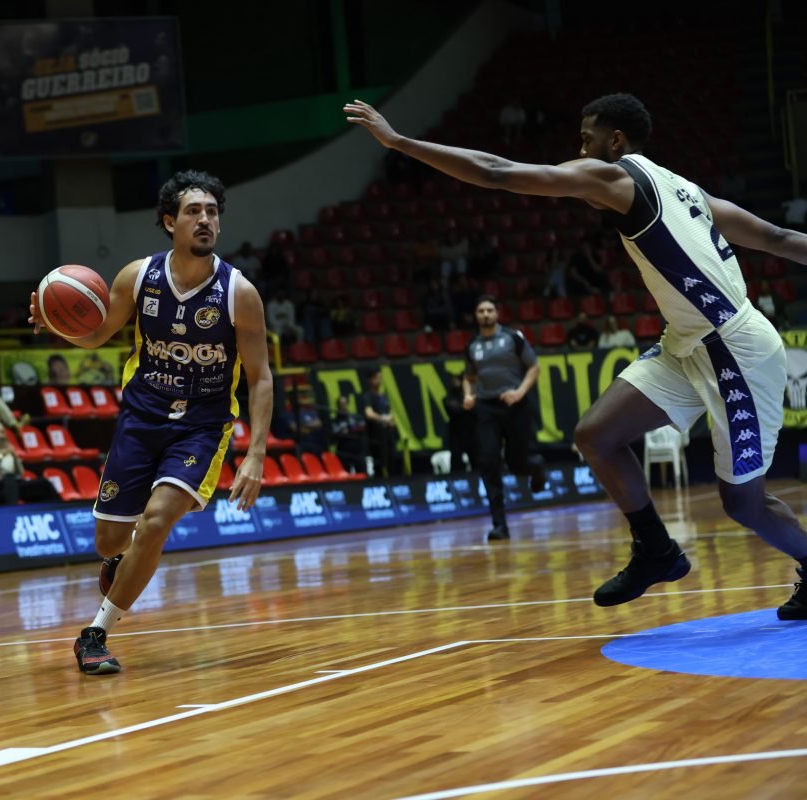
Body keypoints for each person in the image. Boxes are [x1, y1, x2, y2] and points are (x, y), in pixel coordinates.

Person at [345, 93, 807, 611]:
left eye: (587, 140)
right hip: (686, 343)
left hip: (735, 349)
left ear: (616, 141)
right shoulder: (684, 189)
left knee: (743, 503)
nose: (580, 151)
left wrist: (400, 142)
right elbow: (777, 237)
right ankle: (656, 550)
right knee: (596, 435)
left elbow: (497, 172)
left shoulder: (617, 177)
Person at [29, 169, 272, 674]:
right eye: (193, 211)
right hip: (142, 417)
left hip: (202, 425)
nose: (205, 220)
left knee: (157, 521)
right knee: (109, 541)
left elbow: (260, 377)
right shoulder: (138, 277)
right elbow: (96, 335)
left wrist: (255, 454)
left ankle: (95, 634)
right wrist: (56, 322)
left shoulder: (239, 292)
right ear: (169, 222)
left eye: (212, 212)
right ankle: (120, 562)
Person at [458, 296, 548, 540]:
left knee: (517, 462)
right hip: (486, 408)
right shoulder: (472, 345)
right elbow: (469, 377)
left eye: (489, 310)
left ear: (497, 313)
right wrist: (468, 395)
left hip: (514, 405)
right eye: (481, 311)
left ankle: (536, 467)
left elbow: (534, 367)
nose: (485, 314)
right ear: (476, 316)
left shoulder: (512, 337)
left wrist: (519, 392)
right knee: (488, 462)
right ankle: (499, 525)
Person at [0, 420, 61, 503]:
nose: (0, 435)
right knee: (9, 480)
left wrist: (14, 456)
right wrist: (1, 455)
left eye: (2, 432)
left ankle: (59, 507)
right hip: (0, 484)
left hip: (15, 481)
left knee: (43, 483)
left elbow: (21, 472)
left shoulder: (9, 448)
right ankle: (13, 510)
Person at [362, 371, 400, 477]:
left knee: (392, 460)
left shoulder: (383, 396)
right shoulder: (368, 396)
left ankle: (392, 482)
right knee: (380, 463)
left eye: (380, 378)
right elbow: (369, 413)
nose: (379, 380)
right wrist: (383, 419)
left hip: (388, 434)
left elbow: (389, 413)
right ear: (370, 380)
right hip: (376, 437)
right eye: (376, 378)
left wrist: (391, 420)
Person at [330, 394, 367, 474]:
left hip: (357, 449)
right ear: (338, 405)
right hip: (343, 450)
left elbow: (362, 425)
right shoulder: (336, 420)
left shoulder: (354, 416)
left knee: (362, 472)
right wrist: (347, 430)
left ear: (347, 404)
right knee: (346, 473)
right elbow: (336, 433)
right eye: (341, 404)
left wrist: (349, 429)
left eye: (345, 403)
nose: (343, 405)